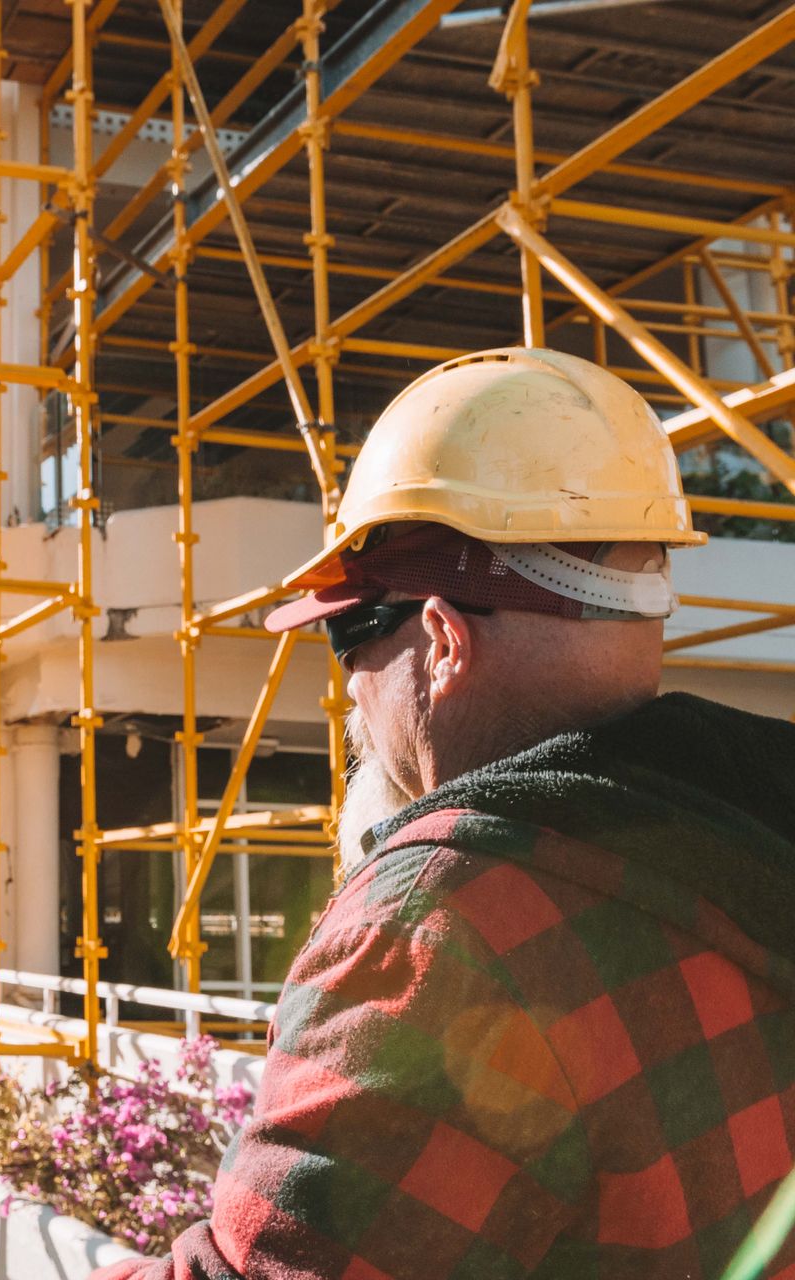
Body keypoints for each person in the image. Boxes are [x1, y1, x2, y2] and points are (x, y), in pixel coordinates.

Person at [97, 348, 795, 1278]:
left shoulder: (439, 927)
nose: (346, 687)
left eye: (350, 631)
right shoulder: (750, 831)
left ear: (441, 638)